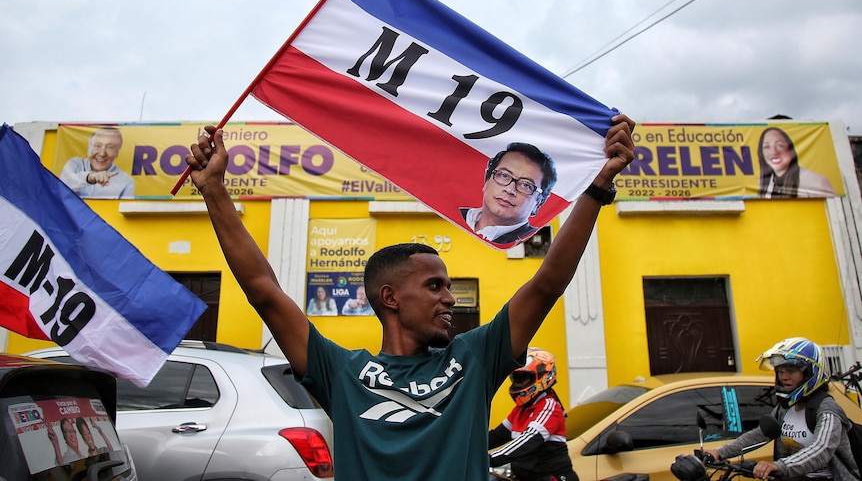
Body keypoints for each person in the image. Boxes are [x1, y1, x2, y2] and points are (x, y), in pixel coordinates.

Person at [184, 113, 634, 481]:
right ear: (390, 298)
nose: (449, 299)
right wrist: (215, 190)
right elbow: (265, 293)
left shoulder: (475, 358)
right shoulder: (343, 372)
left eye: (447, 287)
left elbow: (548, 282)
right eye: (434, 286)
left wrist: (597, 187)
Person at [704, 338, 859, 481]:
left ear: (811, 372)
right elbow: (761, 434)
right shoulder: (786, 407)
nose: (784, 377)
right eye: (780, 371)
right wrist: (719, 452)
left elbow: (821, 448)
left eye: (791, 370)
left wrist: (780, 465)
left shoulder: (826, 408)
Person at [489, 347, 577, 481]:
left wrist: (489, 459)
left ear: (543, 376)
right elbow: (496, 436)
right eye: (516, 379)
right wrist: (462, 444)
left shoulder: (549, 406)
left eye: (523, 378)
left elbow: (527, 441)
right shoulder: (522, 409)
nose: (518, 384)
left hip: (553, 478)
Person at [460, 142, 558, 245]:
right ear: (487, 181)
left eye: (526, 185)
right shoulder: (453, 216)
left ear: (538, 203)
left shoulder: (531, 240)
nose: (510, 190)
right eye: (504, 175)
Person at [757, 127, 837, 198]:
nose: (774, 152)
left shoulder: (816, 181)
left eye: (780, 146)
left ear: (791, 149)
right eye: (767, 147)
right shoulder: (764, 182)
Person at [60, 127, 135, 199]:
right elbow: (60, 185)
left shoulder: (126, 182)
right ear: (89, 147)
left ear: (117, 152)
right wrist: (89, 178)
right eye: (98, 146)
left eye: (110, 147)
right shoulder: (76, 163)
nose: (102, 154)